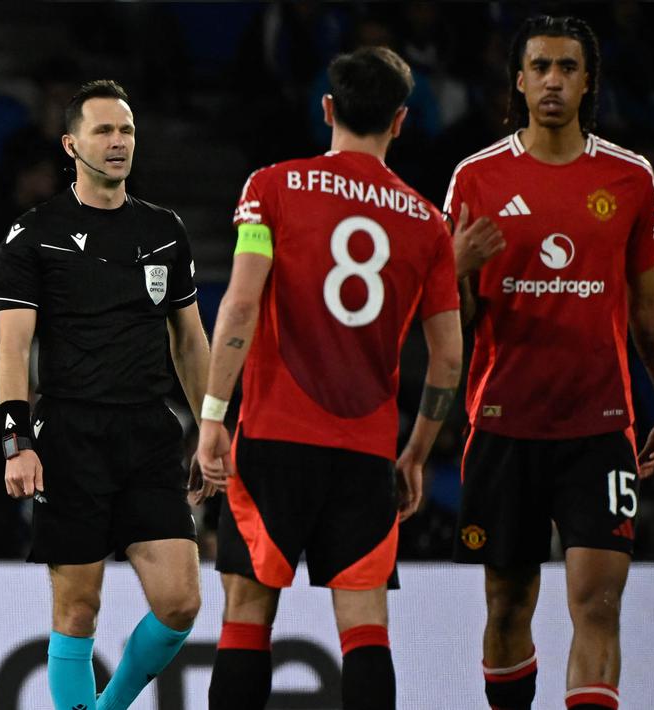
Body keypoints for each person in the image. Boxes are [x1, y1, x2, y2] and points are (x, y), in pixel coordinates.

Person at [196, 47, 462, 710]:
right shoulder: (429, 224)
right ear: (400, 121)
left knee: (246, 613)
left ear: (327, 108)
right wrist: (416, 452)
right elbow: (448, 358)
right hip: (366, 450)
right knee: (365, 627)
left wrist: (211, 415)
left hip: (274, 439)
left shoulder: (270, 188)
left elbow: (240, 305)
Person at [444, 16, 654, 710]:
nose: (552, 80)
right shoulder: (475, 177)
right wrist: (453, 270)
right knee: (506, 605)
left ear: (587, 83)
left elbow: (648, 301)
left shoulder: (629, 177)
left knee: (598, 603)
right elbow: (451, 320)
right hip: (503, 423)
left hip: (599, 425)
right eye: (540, 67)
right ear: (518, 82)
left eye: (567, 67)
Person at [0, 79, 210, 710]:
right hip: (71, 436)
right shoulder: (34, 235)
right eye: (104, 130)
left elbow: (190, 342)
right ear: (71, 144)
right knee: (78, 609)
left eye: (127, 130)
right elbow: (13, 350)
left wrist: (213, 428)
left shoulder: (164, 230)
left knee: (180, 602)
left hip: (149, 433)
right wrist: (16, 442)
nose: (118, 142)